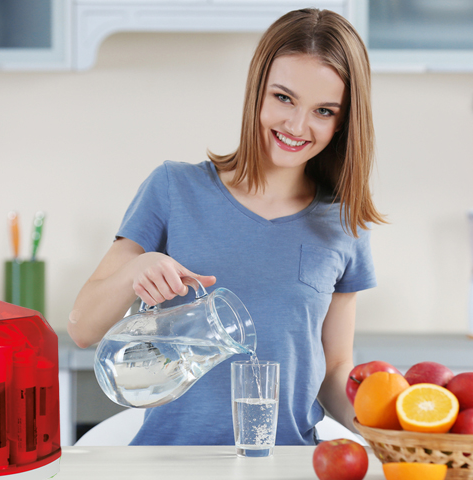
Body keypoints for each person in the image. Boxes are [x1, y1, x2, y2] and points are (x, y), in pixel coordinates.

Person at [68, 7, 385, 446]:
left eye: (324, 111)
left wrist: (394, 428)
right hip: (170, 468)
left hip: (286, 468)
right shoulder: (174, 188)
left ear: (345, 121)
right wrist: (134, 271)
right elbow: (82, 328)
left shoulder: (343, 222)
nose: (297, 126)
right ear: (257, 91)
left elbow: (334, 370)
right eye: (283, 98)